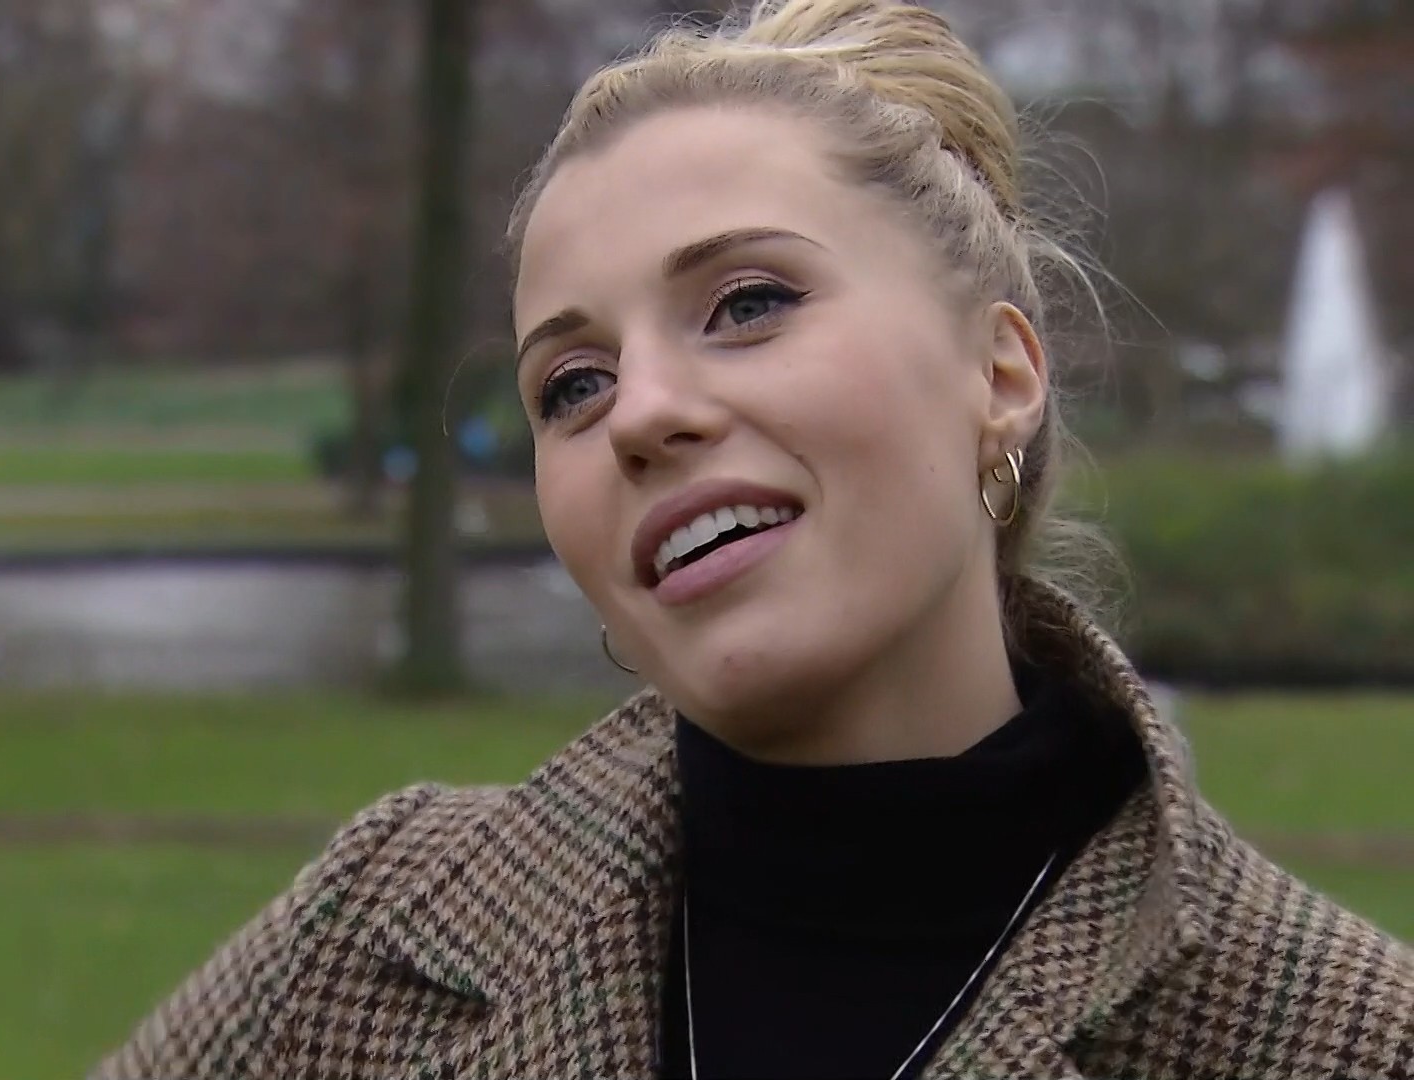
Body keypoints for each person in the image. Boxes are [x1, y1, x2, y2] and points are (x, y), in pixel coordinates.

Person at [90, 2, 1414, 1077]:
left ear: (1002, 373)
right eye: (572, 384)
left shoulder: (1340, 1036)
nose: (640, 414)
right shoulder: (375, 932)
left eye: (747, 303)